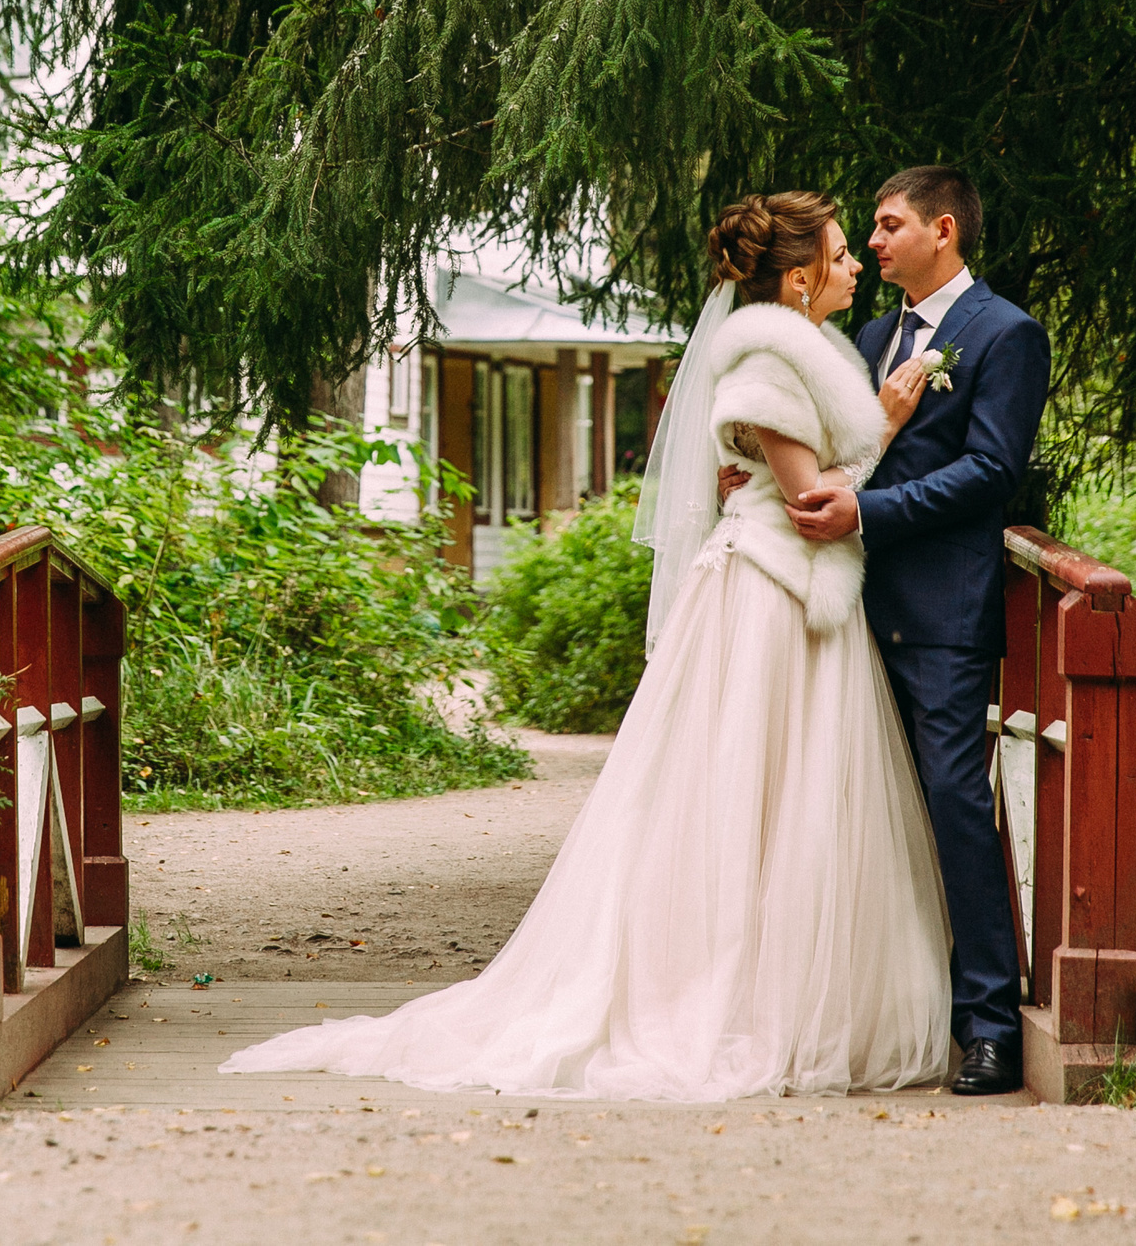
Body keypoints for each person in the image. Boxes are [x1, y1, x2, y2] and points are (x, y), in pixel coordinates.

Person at [220, 191, 957, 1100]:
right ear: (801, 277)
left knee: (787, 801)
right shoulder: (769, 357)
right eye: (842, 255)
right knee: (747, 796)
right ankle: (734, 998)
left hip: (791, 596)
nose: (855, 267)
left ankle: (787, 990)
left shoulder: (794, 352)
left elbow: (775, 472)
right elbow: (812, 504)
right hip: (770, 598)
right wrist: (883, 423)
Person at [772, 166, 1050, 1096]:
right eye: (872, 231)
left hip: (942, 613)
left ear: (944, 229)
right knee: (854, 810)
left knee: (955, 806)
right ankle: (879, 1012)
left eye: (889, 226)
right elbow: (847, 451)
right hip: (853, 607)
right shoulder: (868, 334)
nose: (875, 243)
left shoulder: (1006, 333)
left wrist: (867, 514)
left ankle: (988, 1027)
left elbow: (989, 472)